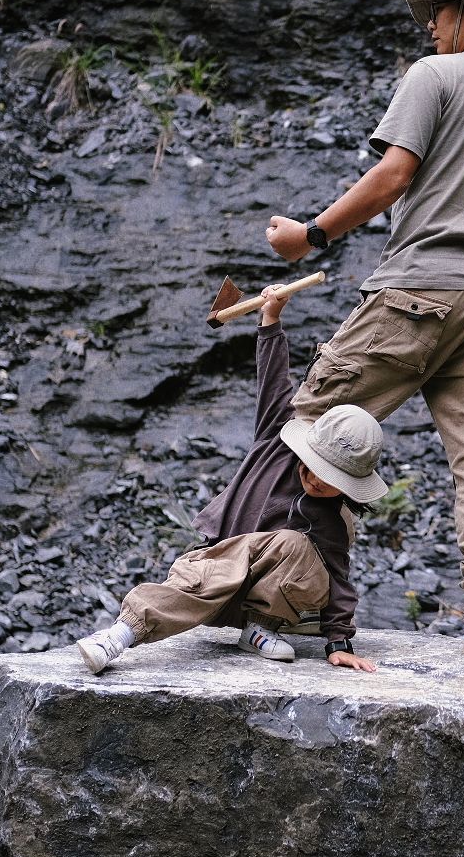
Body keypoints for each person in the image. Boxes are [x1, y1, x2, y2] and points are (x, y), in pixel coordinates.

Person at [264, 0, 464, 660]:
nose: (430, 25)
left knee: (308, 428)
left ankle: (279, 600)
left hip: (417, 292)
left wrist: (309, 235)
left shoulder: (432, 78)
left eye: (437, 12)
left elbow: (392, 175)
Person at [75, 287, 388, 675]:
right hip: (209, 576)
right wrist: (270, 320)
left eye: (334, 479)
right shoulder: (275, 441)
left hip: (259, 603)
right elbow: (273, 382)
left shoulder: (332, 521)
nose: (319, 482)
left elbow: (338, 581)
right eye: (317, 466)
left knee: (299, 547)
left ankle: (259, 631)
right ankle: (121, 634)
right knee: (222, 568)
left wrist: (339, 643)